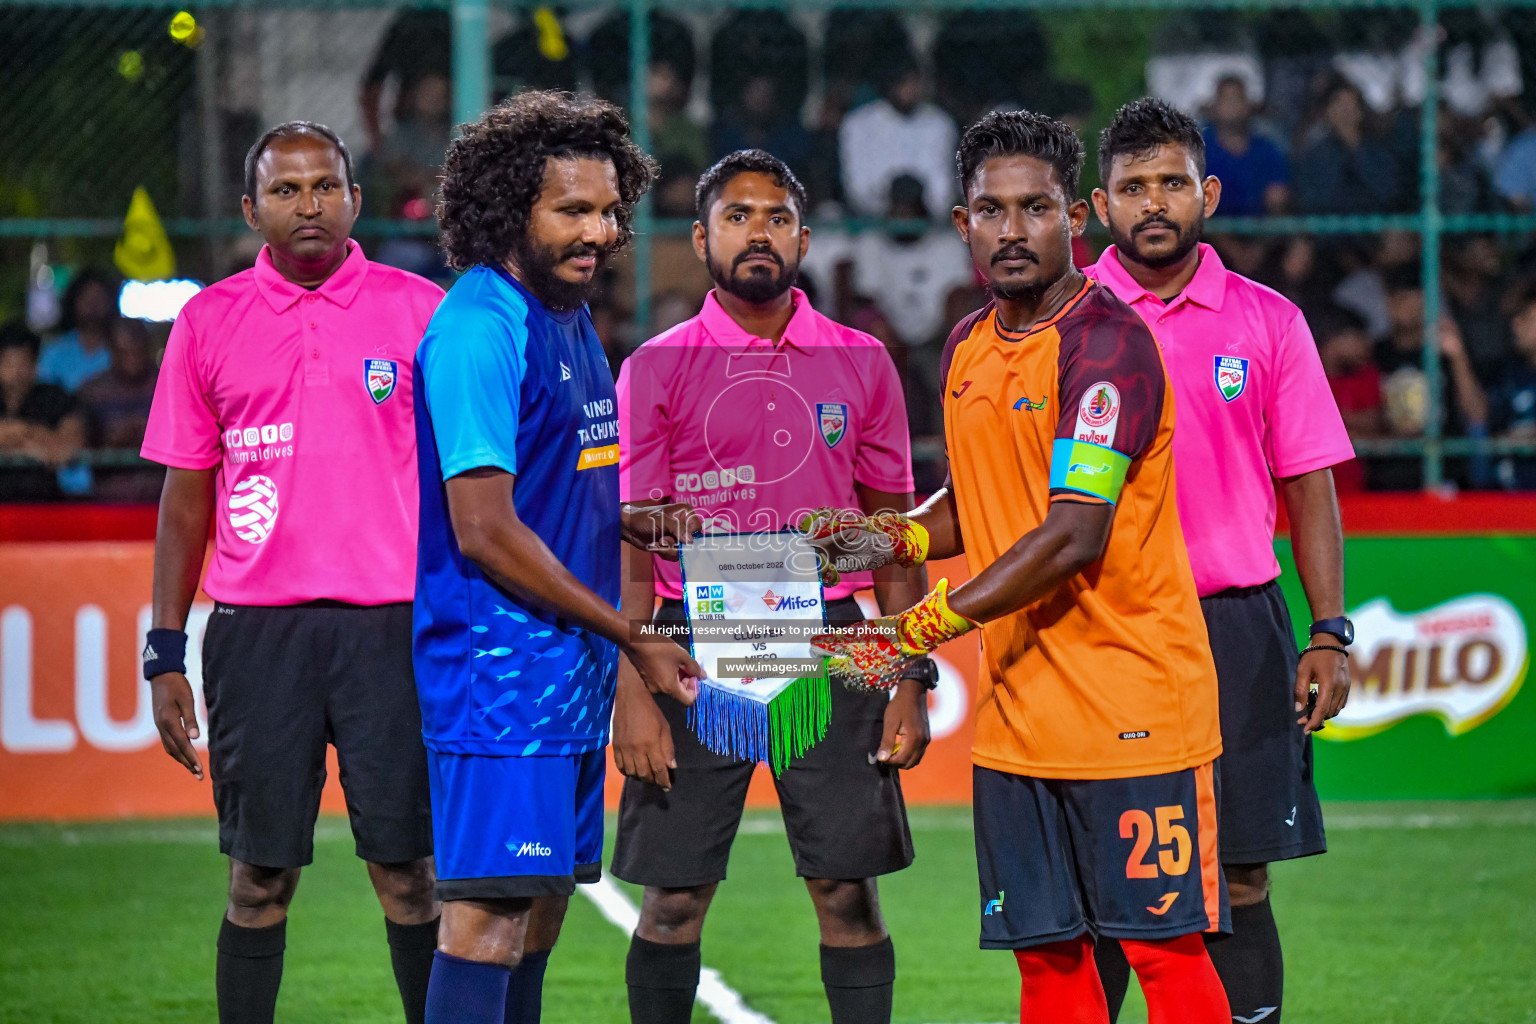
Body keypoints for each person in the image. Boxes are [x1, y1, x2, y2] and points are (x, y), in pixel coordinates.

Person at [808, 109, 1231, 1024]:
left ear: (1074, 219)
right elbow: (975, 505)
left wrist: (911, 630)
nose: (1012, 230)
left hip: (1132, 709)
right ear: (962, 225)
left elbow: (1073, 530)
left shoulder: (1108, 348)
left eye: (1034, 208)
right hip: (1015, 718)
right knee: (1047, 963)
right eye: (990, 212)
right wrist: (879, 540)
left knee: (1164, 953)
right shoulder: (968, 345)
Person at [611, 149, 932, 1024]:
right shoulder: (652, 367)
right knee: (673, 901)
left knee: (847, 896)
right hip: (690, 643)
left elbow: (896, 534)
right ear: (701, 237)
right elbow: (633, 539)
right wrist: (631, 691)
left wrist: (911, 675)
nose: (760, 233)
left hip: (830, 640)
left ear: (805, 236)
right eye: (739, 217)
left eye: (778, 218)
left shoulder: (862, 361)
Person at [139, 121, 445, 1024]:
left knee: (409, 877)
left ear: (355, 198)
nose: (307, 204)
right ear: (251, 209)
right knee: (258, 880)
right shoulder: (206, 321)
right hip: (257, 634)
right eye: (285, 189)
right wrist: (164, 651)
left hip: (394, 629)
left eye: (324, 186)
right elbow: (184, 501)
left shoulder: (421, 311)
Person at [413, 90, 704, 1024]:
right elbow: (484, 527)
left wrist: (624, 518)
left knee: (537, 918)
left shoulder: (571, 315)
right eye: (572, 210)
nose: (600, 231)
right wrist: (633, 636)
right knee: (487, 921)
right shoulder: (478, 326)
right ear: (509, 210)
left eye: (610, 210)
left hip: (560, 676)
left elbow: (545, 483)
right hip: (498, 681)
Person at [1084, 97, 1357, 1024]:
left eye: (1170, 183)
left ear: (1208, 192)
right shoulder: (1063, 323)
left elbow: (1309, 483)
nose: (1152, 202)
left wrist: (1329, 631)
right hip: (1106, 629)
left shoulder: (1270, 321)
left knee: (1241, 877)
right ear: (1098, 206)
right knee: (1105, 889)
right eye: (1132, 187)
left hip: (1236, 625)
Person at [838, 58, 958, 218]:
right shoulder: (858, 123)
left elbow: (943, 193)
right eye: (905, 82)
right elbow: (857, 190)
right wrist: (894, 209)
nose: (911, 89)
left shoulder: (941, 123)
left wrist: (914, 210)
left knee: (951, 244)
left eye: (916, 82)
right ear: (890, 84)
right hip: (874, 227)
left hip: (927, 227)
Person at [78, 316, 163, 502]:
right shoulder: (92, 392)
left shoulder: (170, 386)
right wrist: (112, 442)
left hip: (162, 497)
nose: (131, 359)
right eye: (124, 353)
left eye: (137, 352)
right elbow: (77, 447)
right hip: (108, 500)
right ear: (111, 351)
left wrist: (153, 435)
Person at [0, 320, 85, 501]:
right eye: (9, 363)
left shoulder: (54, 397)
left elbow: (71, 445)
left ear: (35, 363)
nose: (17, 372)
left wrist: (18, 438)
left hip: (43, 504)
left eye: (23, 363)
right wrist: (33, 442)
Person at [1201, 75, 1289, 217]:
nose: (1232, 105)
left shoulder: (1267, 150)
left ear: (1248, 105)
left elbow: (1277, 200)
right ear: (1214, 107)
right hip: (1207, 233)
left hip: (1263, 232)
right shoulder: (1198, 151)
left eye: (1237, 98)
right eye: (1225, 99)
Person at [38, 268, 117, 393]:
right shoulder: (55, 351)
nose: (93, 306)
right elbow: (45, 395)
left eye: (99, 298)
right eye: (87, 299)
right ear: (73, 302)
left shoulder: (122, 349)